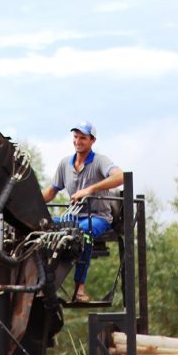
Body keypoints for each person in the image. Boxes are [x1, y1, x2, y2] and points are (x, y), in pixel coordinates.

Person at [42, 121, 123, 303]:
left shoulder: (100, 161)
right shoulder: (65, 164)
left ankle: (79, 289)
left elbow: (120, 176)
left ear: (92, 140)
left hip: (98, 217)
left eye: (83, 138)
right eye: (76, 137)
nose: (78, 141)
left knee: (82, 234)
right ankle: (43, 283)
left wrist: (90, 190)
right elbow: (51, 191)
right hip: (73, 217)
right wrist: (29, 203)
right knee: (43, 225)